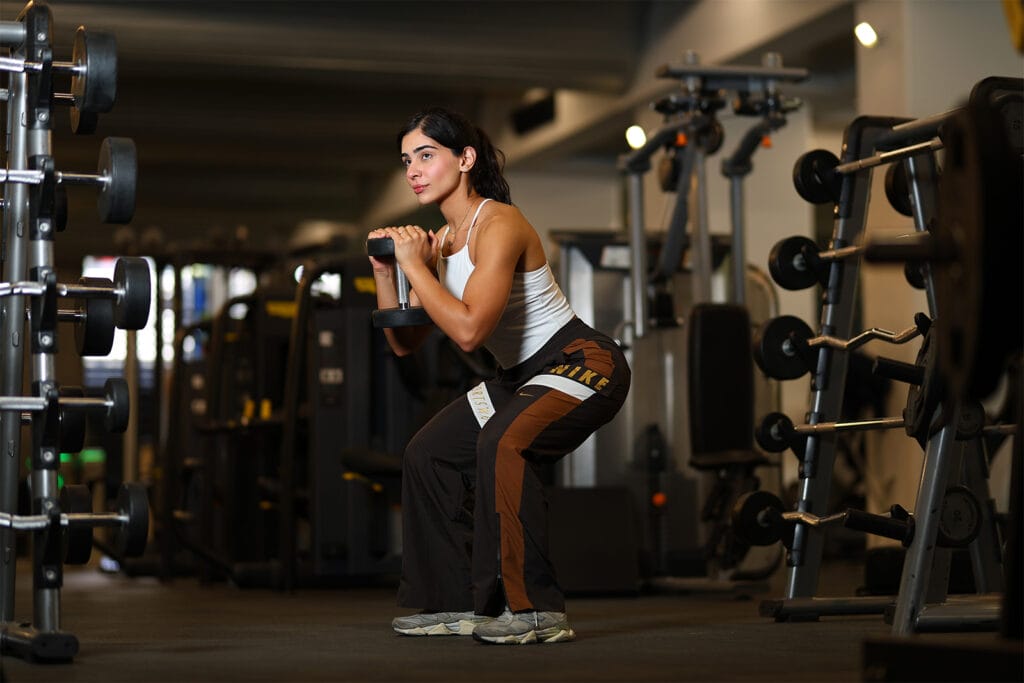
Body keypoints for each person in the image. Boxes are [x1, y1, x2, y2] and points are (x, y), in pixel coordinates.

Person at [367, 107, 631, 645]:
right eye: (406, 160)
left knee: (504, 443)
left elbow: (467, 332)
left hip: (581, 362)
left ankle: (535, 610)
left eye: (426, 155)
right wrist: (386, 273)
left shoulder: (500, 224)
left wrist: (415, 265)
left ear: (464, 159)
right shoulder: (439, 242)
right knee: (428, 453)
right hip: (520, 376)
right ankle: (456, 603)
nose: (413, 170)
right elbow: (404, 341)